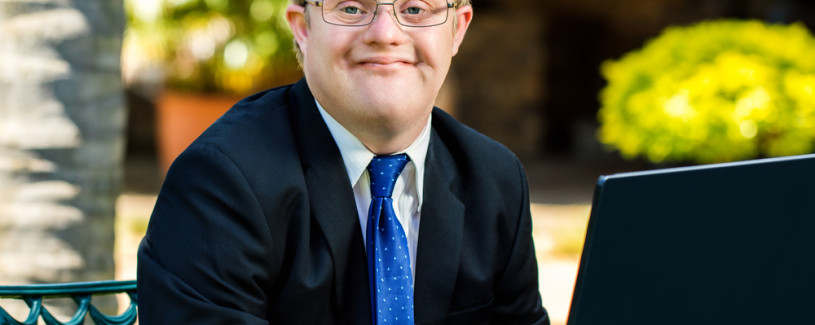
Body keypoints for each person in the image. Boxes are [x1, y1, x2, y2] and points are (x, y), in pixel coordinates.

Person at [137, 0, 549, 324]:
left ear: (457, 29)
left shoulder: (496, 179)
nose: (386, 34)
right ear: (302, 27)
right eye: (352, 8)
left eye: (415, 9)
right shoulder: (220, 184)